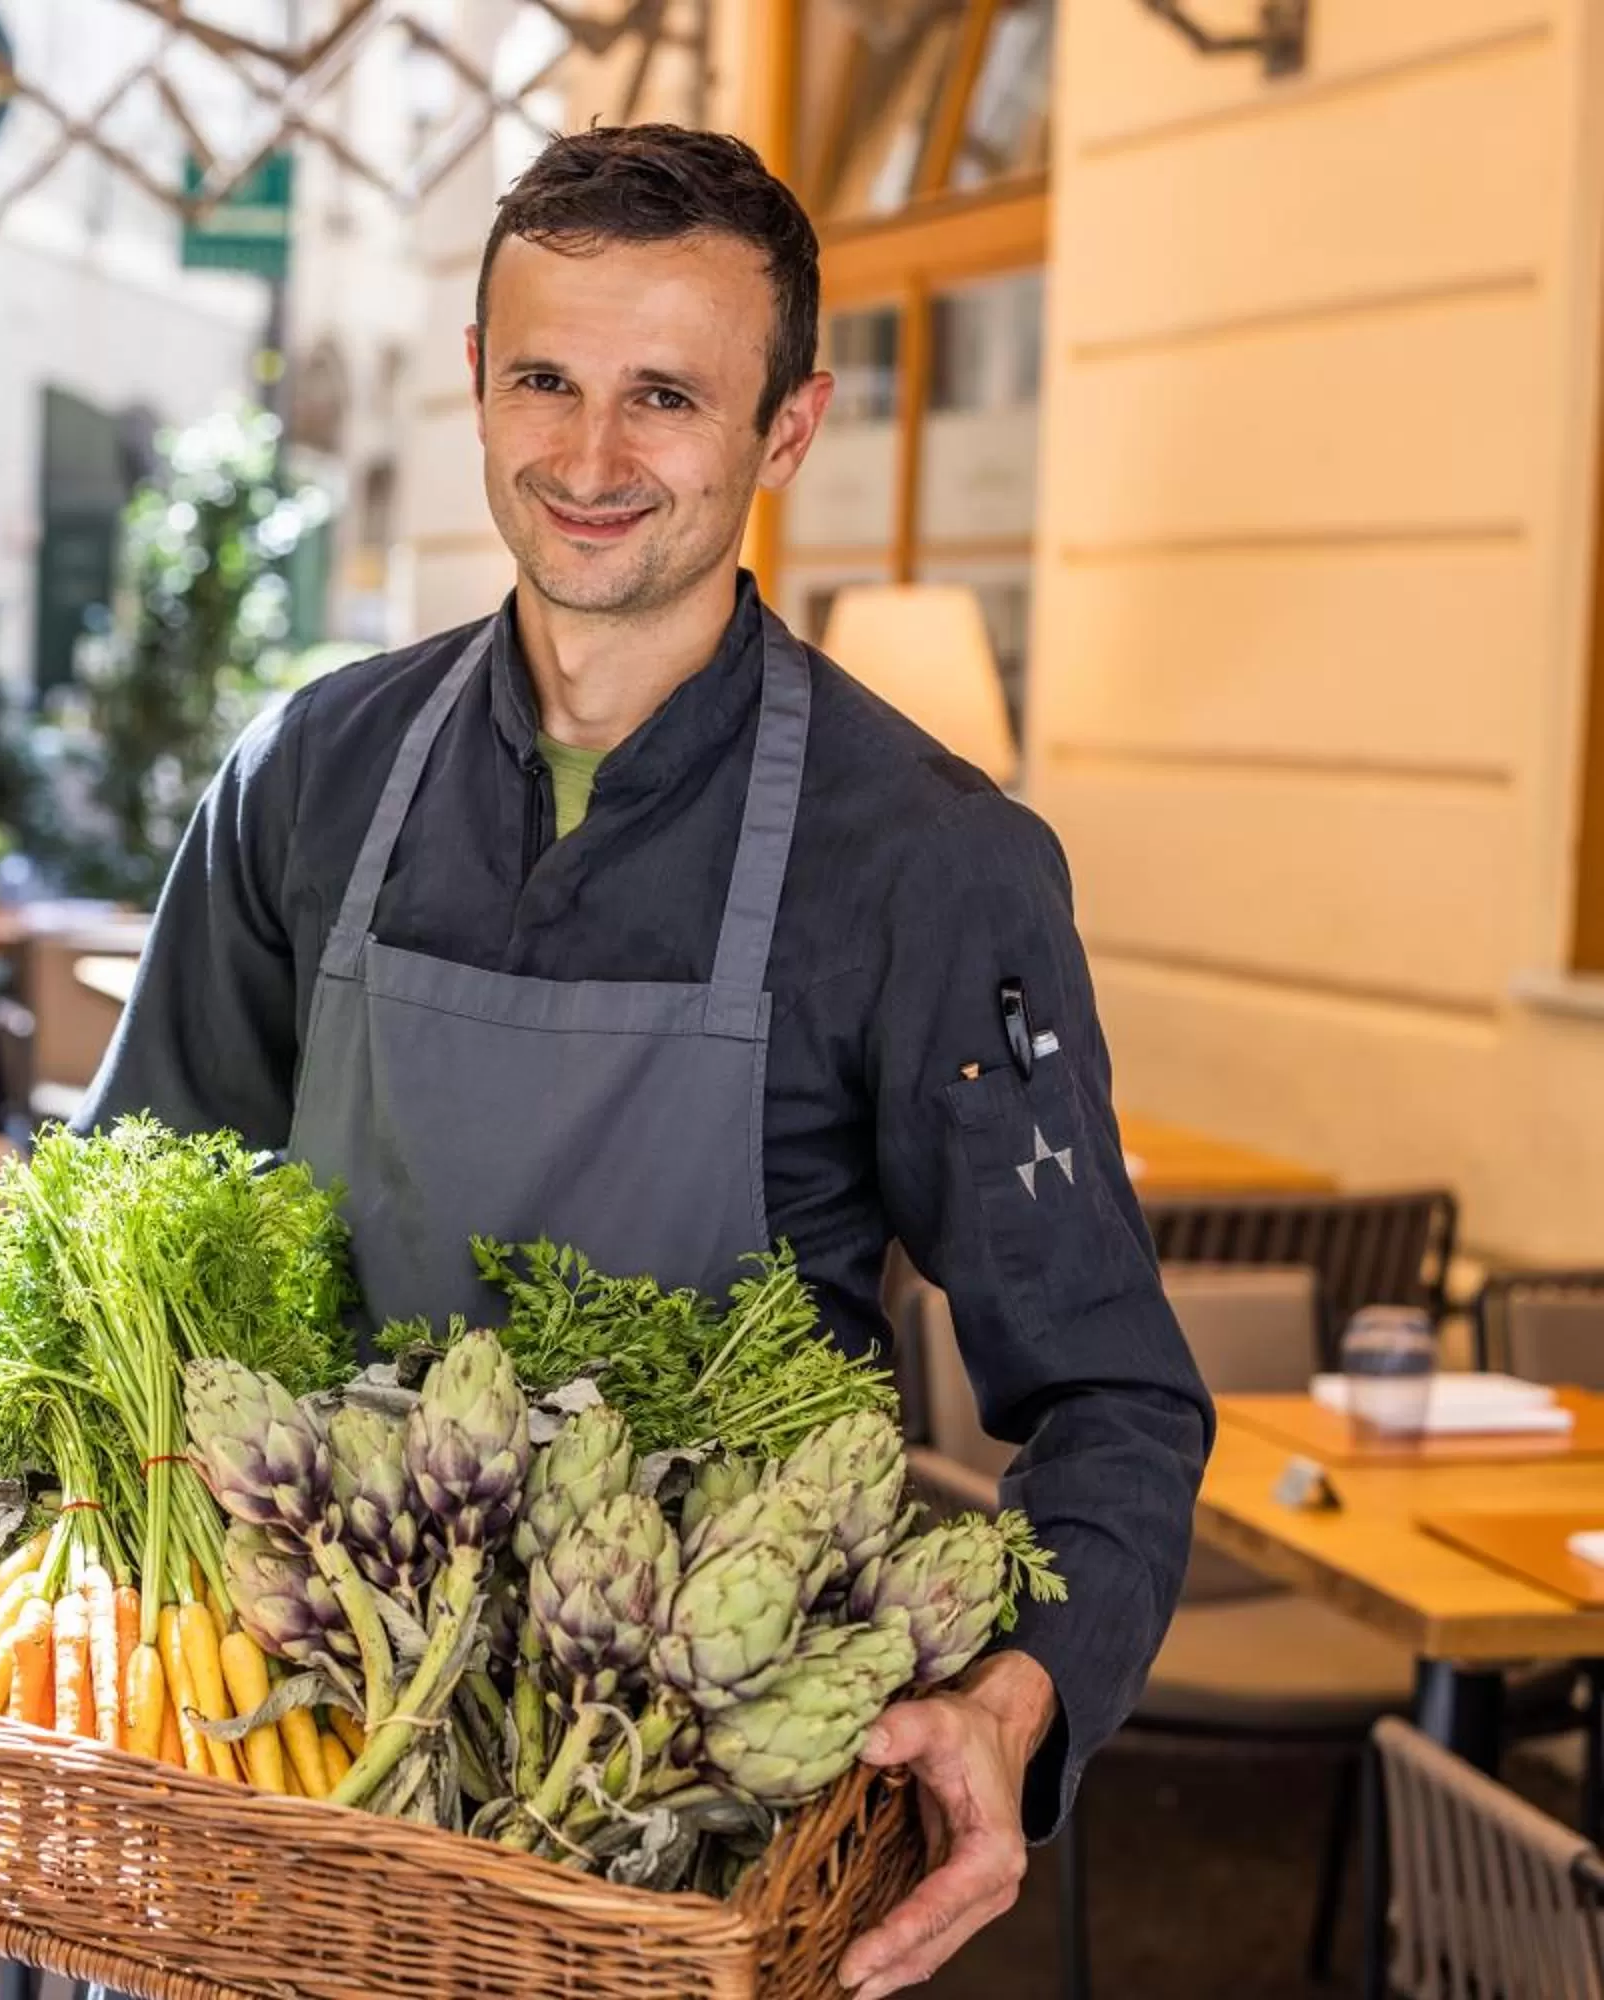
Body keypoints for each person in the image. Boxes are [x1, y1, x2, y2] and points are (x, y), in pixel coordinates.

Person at [81, 124, 1212, 1995]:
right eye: (547, 378)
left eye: (667, 397)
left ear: (786, 430)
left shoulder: (932, 866)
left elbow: (1113, 1397)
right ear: (475, 380)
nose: (592, 462)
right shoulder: (312, 774)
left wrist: (1022, 1701)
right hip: (293, 1779)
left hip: (687, 1835)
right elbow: (130, 1222)